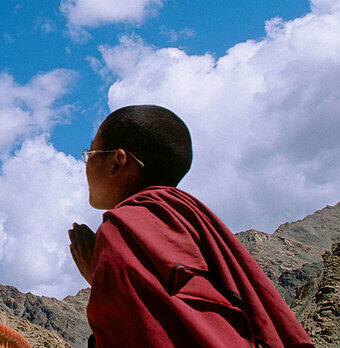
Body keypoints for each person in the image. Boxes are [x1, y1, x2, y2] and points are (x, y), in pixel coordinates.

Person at [68, 105, 312, 347]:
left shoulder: (122, 228)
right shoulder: (195, 217)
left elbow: (139, 336)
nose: (87, 163)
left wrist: (102, 278)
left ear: (116, 162)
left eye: (92, 152)